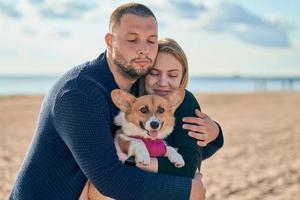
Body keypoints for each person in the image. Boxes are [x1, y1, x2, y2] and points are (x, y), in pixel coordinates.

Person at [9, 3, 219, 200]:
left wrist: (215, 135)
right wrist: (185, 192)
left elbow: (174, 146)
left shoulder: (141, 90)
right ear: (110, 42)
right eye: (132, 39)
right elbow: (109, 178)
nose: (143, 49)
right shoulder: (79, 92)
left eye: (151, 40)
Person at [81, 38, 224, 199]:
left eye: (173, 75)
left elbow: (187, 168)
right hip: (128, 185)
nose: (163, 83)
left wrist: (135, 161)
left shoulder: (185, 103)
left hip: (156, 184)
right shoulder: (130, 97)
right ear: (143, 72)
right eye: (154, 73)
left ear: (183, 77)